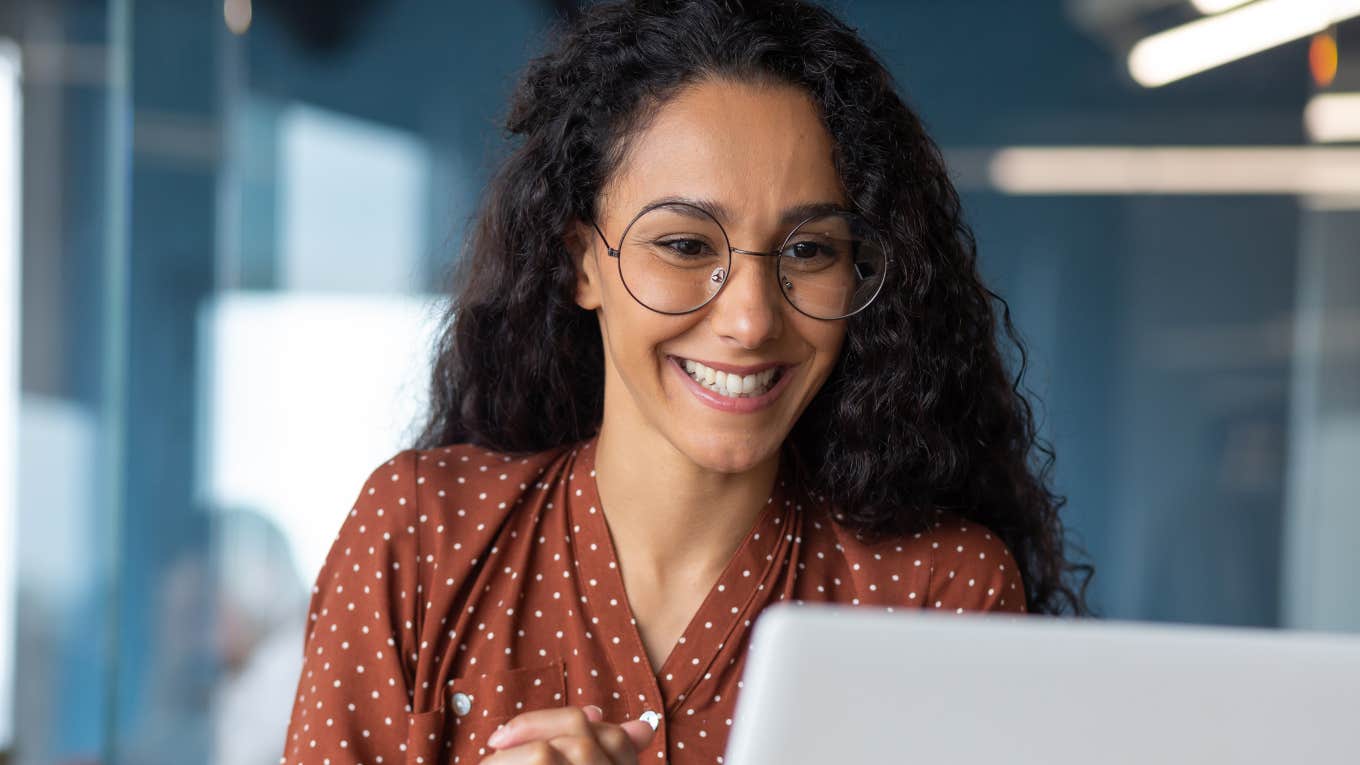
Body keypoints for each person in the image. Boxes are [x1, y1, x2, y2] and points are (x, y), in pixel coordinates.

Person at [280, 1, 1091, 763]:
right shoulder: (421, 535)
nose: (749, 319)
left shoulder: (934, 591)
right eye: (684, 245)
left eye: (809, 251)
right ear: (580, 263)